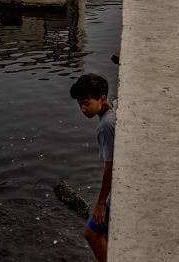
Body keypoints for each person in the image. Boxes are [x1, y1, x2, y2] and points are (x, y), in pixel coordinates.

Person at [69, 73, 115, 262]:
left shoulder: (105, 126)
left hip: (114, 191)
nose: (82, 109)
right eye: (80, 104)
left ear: (102, 99)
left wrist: (100, 204)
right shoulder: (113, 109)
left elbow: (110, 167)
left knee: (92, 234)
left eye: (86, 103)